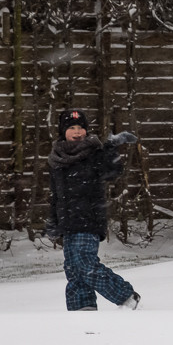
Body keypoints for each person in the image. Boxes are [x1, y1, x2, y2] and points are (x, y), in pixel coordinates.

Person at [47, 108, 141, 311]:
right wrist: (53, 221)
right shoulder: (57, 159)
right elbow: (55, 195)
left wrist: (111, 147)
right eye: (72, 127)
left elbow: (112, 171)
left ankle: (126, 296)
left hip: (89, 219)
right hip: (68, 223)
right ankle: (83, 310)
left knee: (85, 263)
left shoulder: (94, 153)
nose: (77, 131)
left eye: (80, 127)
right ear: (63, 131)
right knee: (73, 270)